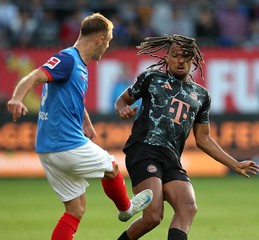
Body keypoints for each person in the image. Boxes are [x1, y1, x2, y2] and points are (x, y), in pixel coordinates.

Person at [7, 13, 152, 240]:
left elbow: (72, 97)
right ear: (99, 40)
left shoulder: (78, 66)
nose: (106, 48)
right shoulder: (68, 59)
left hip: (47, 149)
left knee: (75, 210)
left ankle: (124, 208)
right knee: (111, 166)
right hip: (64, 143)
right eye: (108, 42)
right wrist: (17, 97)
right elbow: (35, 75)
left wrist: (86, 122)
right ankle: (126, 209)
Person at [114, 34, 259, 240]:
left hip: (172, 159)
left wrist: (235, 164)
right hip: (144, 150)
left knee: (188, 207)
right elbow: (123, 100)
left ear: (194, 60)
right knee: (154, 216)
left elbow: (203, 139)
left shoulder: (201, 95)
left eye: (186, 56)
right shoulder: (151, 78)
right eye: (175, 55)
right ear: (167, 58)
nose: (180, 60)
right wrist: (122, 109)